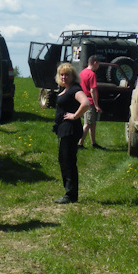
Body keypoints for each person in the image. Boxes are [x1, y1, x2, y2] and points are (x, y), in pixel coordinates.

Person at [53, 62, 90, 204]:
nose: (63, 77)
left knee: (68, 161)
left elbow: (85, 103)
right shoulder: (65, 89)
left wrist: (75, 116)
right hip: (64, 130)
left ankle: (71, 194)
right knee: (63, 159)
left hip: (70, 129)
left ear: (72, 76)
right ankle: (68, 192)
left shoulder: (75, 89)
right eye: (61, 74)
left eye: (66, 74)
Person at [77, 55, 103, 149]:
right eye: (98, 64)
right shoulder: (91, 74)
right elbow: (92, 90)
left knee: (93, 123)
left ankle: (94, 143)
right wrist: (96, 105)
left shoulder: (82, 73)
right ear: (95, 63)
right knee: (87, 124)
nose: (99, 66)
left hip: (82, 101)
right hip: (89, 102)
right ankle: (79, 144)